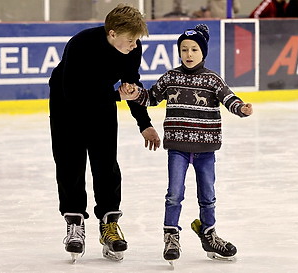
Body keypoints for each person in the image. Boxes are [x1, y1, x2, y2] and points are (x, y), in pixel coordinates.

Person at [119, 24, 253, 263]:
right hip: (178, 148)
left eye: (194, 49)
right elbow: (152, 97)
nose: (189, 54)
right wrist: (135, 94)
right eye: (184, 49)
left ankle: (209, 233)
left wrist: (241, 108)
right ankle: (171, 236)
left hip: (206, 149)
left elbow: (228, 98)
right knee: (174, 194)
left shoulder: (212, 79)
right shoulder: (171, 77)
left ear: (203, 52)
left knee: (208, 195)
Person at [48, 4, 160, 262]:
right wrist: (113, 96)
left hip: (102, 104)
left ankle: (109, 223)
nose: (134, 46)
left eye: (136, 40)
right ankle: (75, 223)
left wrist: (144, 123)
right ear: (112, 34)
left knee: (106, 163)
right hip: (67, 105)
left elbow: (131, 87)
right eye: (130, 40)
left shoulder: (132, 49)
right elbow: (72, 93)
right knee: (69, 162)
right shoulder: (80, 44)